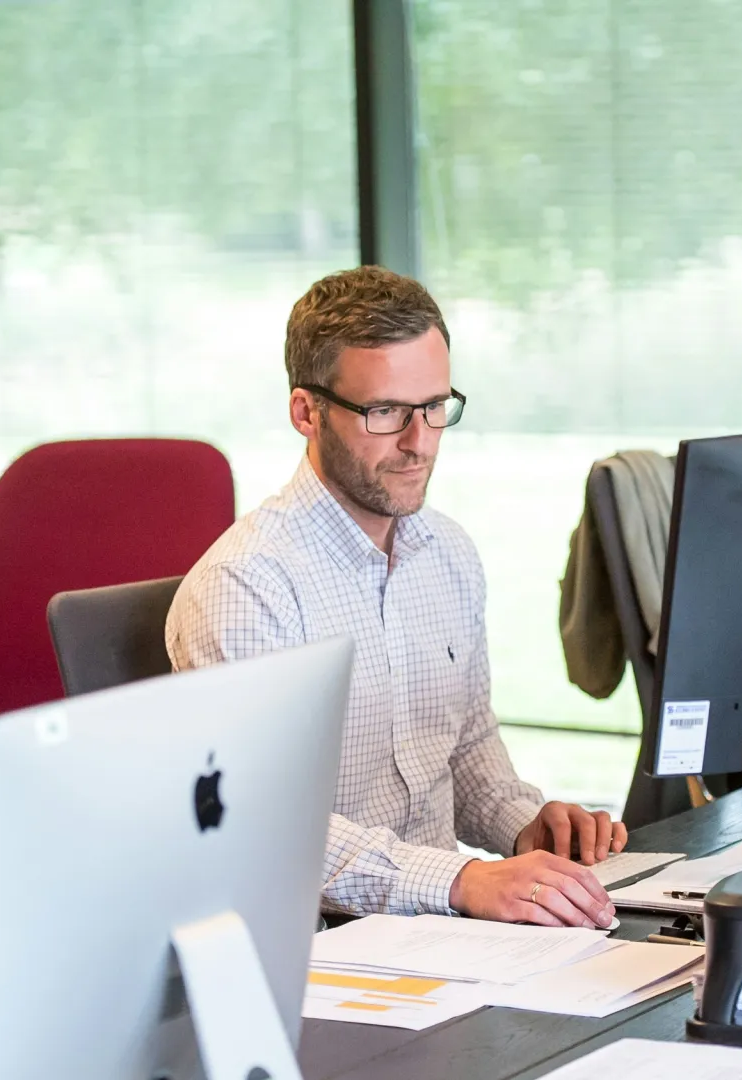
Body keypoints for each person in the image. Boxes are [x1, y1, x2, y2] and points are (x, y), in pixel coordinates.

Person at [167, 265, 625, 928]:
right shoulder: (247, 587)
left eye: (435, 407)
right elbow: (267, 825)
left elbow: (466, 750)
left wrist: (530, 830)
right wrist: (464, 879)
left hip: (442, 936)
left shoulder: (448, 554)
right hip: (321, 952)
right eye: (385, 412)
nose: (420, 443)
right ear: (306, 411)